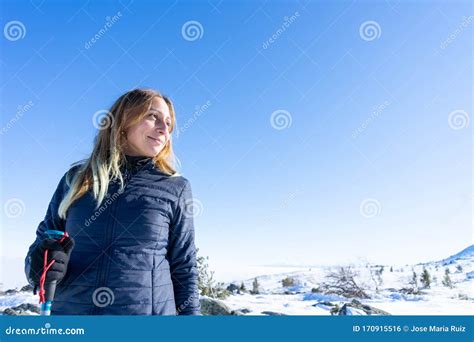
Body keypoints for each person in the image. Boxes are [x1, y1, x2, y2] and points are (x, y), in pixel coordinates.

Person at [24, 88, 201, 315]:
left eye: (169, 123)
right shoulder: (77, 180)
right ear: (124, 120)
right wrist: (41, 264)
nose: (164, 129)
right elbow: (41, 249)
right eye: (152, 116)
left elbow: (184, 267)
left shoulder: (175, 187)